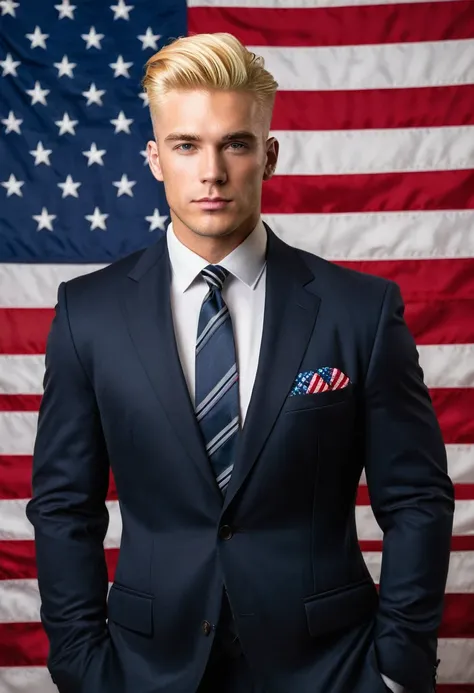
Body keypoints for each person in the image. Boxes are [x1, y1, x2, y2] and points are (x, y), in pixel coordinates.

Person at [26, 32, 454, 693]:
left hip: (332, 669)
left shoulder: (358, 311)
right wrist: (83, 665)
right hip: (145, 670)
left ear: (269, 155)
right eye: (186, 145)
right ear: (154, 158)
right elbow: (63, 507)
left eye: (236, 143)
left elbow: (418, 498)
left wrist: (397, 667)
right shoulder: (89, 315)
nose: (212, 172)